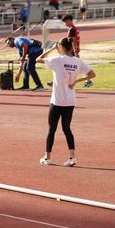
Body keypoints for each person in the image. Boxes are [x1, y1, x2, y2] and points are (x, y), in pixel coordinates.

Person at [37, 37, 95, 167]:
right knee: (67, 129)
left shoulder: (57, 60)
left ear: (61, 47)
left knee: (52, 129)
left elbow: (38, 59)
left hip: (57, 100)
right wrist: (76, 81)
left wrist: (52, 49)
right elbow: (92, 74)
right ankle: (72, 157)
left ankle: (47, 157)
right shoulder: (77, 61)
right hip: (70, 101)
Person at [62, 14, 91, 87]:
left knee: (73, 65)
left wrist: (75, 51)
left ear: (69, 21)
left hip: (71, 51)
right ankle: (88, 80)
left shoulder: (72, 29)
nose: (65, 24)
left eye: (65, 22)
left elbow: (73, 41)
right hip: (73, 50)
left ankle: (88, 80)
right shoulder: (75, 28)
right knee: (78, 66)